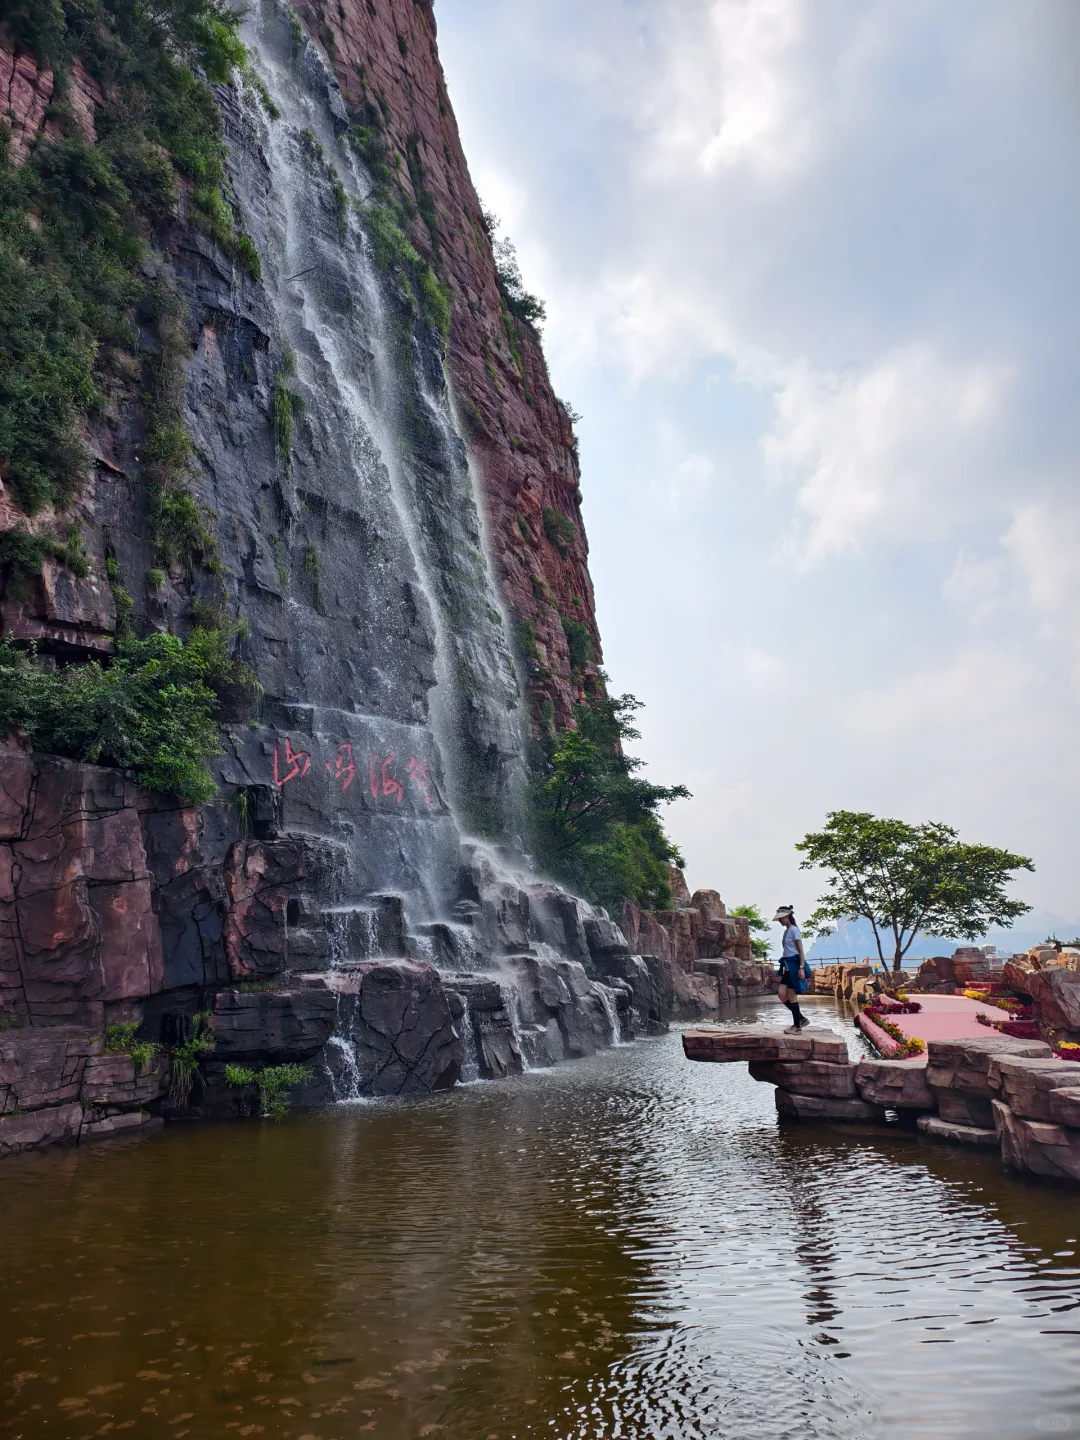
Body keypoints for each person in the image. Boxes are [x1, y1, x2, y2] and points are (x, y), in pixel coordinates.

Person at [773, 905, 810, 1032]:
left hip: (795, 967)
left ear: (787, 916)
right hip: (788, 968)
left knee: (792, 996)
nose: (779, 921)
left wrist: (801, 968)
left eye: (780, 918)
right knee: (781, 994)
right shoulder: (786, 931)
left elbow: (800, 950)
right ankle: (801, 1018)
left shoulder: (794, 930)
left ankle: (797, 1026)